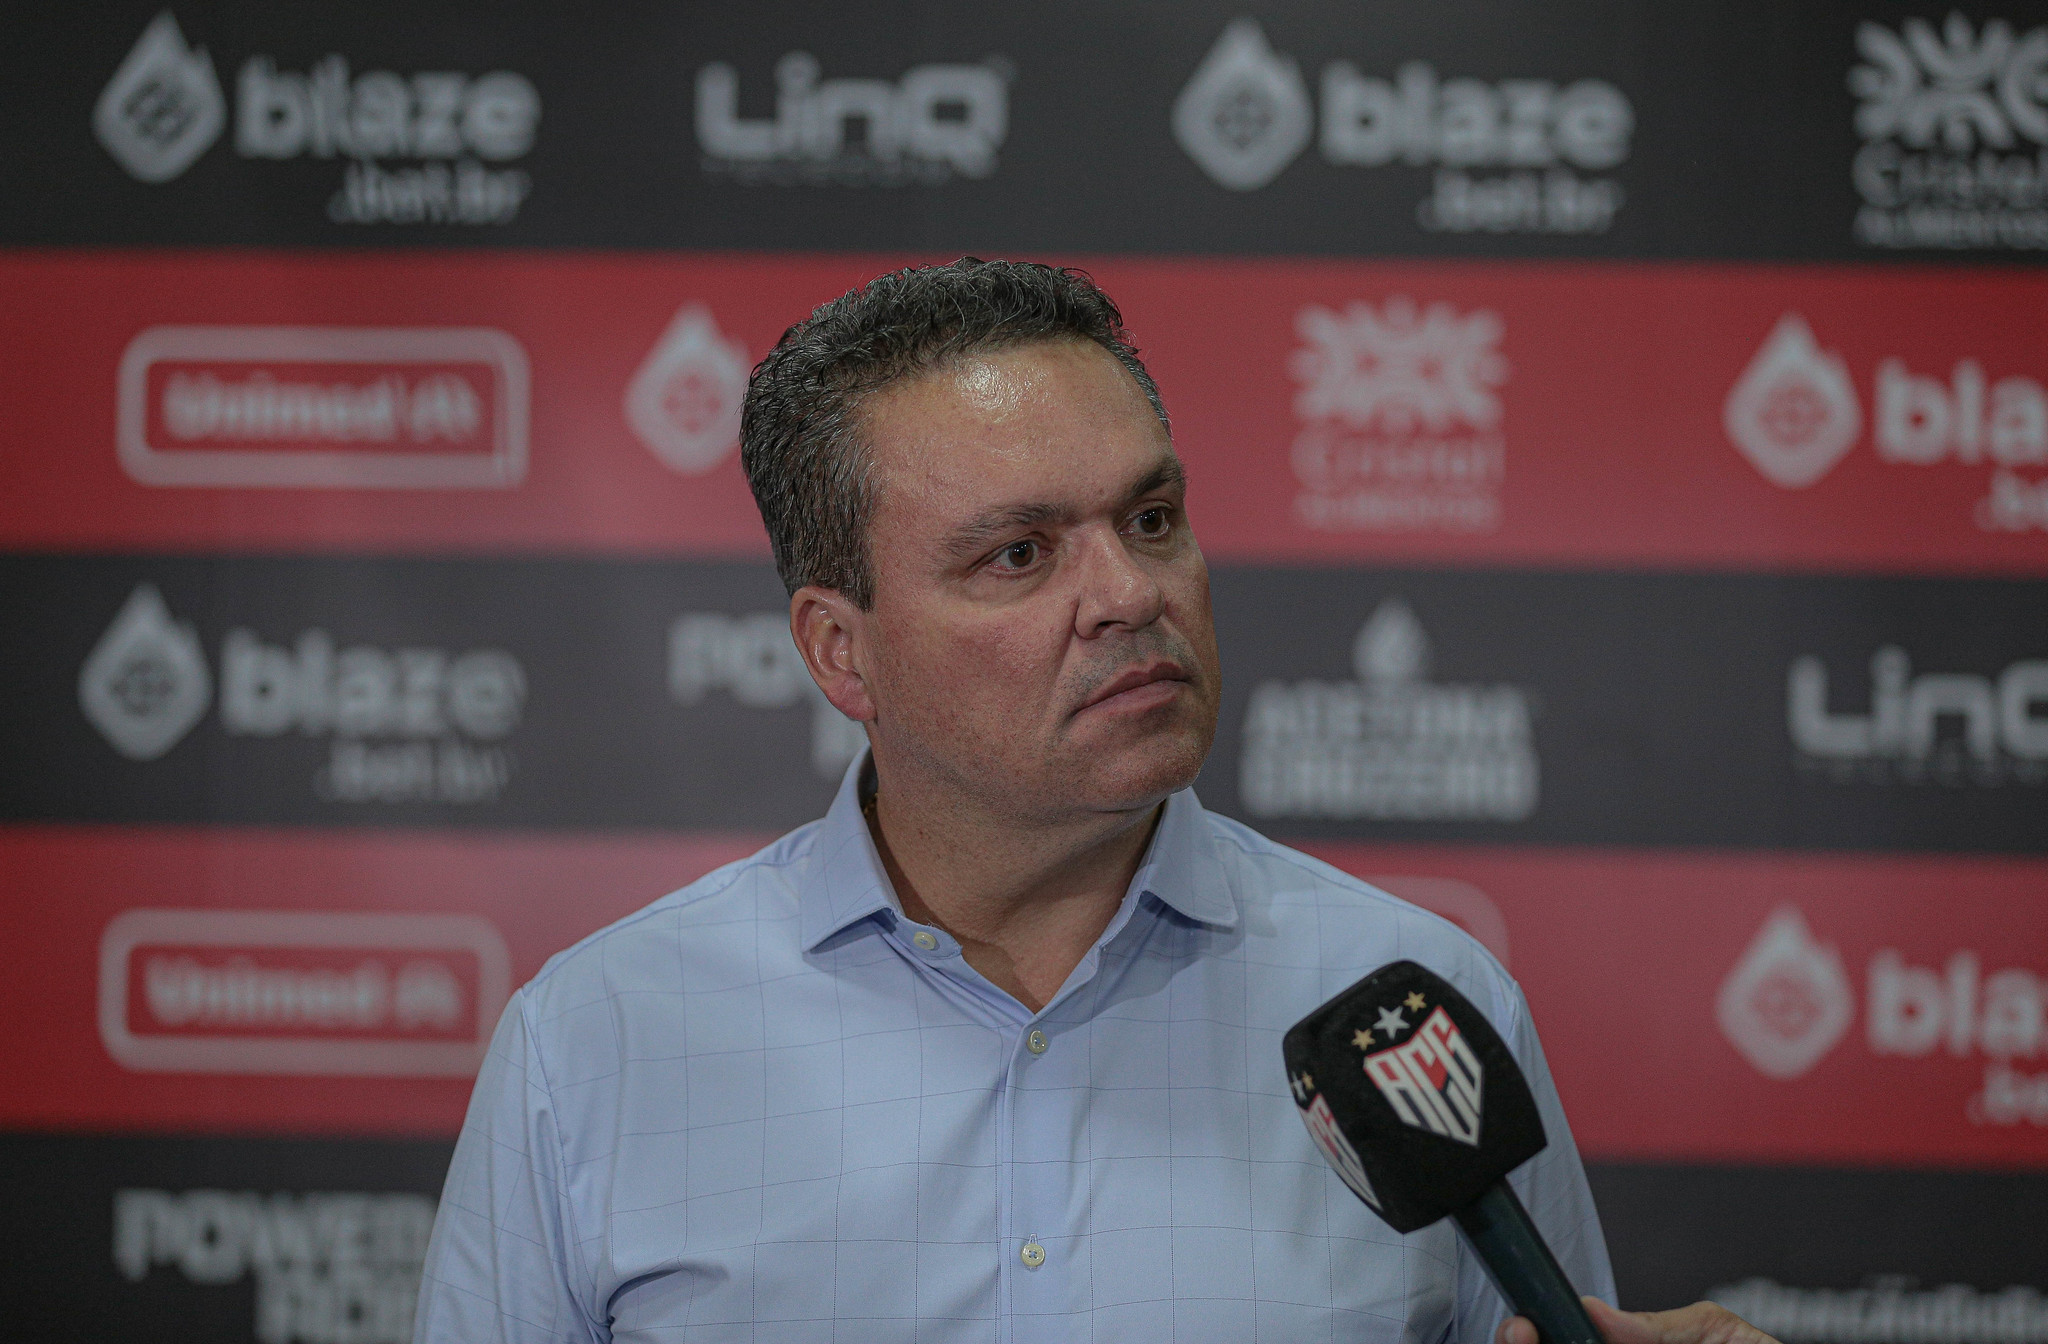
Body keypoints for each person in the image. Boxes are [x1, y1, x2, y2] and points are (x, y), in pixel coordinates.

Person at [414, 259, 1761, 1343]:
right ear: (840, 651)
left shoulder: (1412, 1005)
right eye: (1018, 554)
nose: (1129, 594)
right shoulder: (591, 1050)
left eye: (1152, 519)